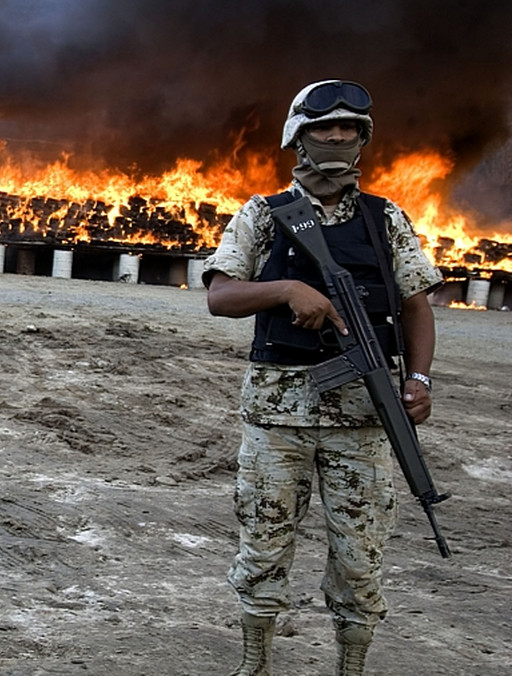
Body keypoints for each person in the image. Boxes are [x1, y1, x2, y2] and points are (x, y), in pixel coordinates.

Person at [204, 80, 442, 676]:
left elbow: (416, 304)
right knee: (263, 547)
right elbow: (221, 295)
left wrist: (419, 380)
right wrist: (286, 288)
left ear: (363, 139)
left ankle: (350, 668)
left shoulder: (385, 218)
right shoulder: (263, 213)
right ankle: (254, 665)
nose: (336, 137)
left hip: (363, 417)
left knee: (361, 558)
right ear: (298, 137)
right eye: (322, 128)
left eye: (348, 129)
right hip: (277, 416)